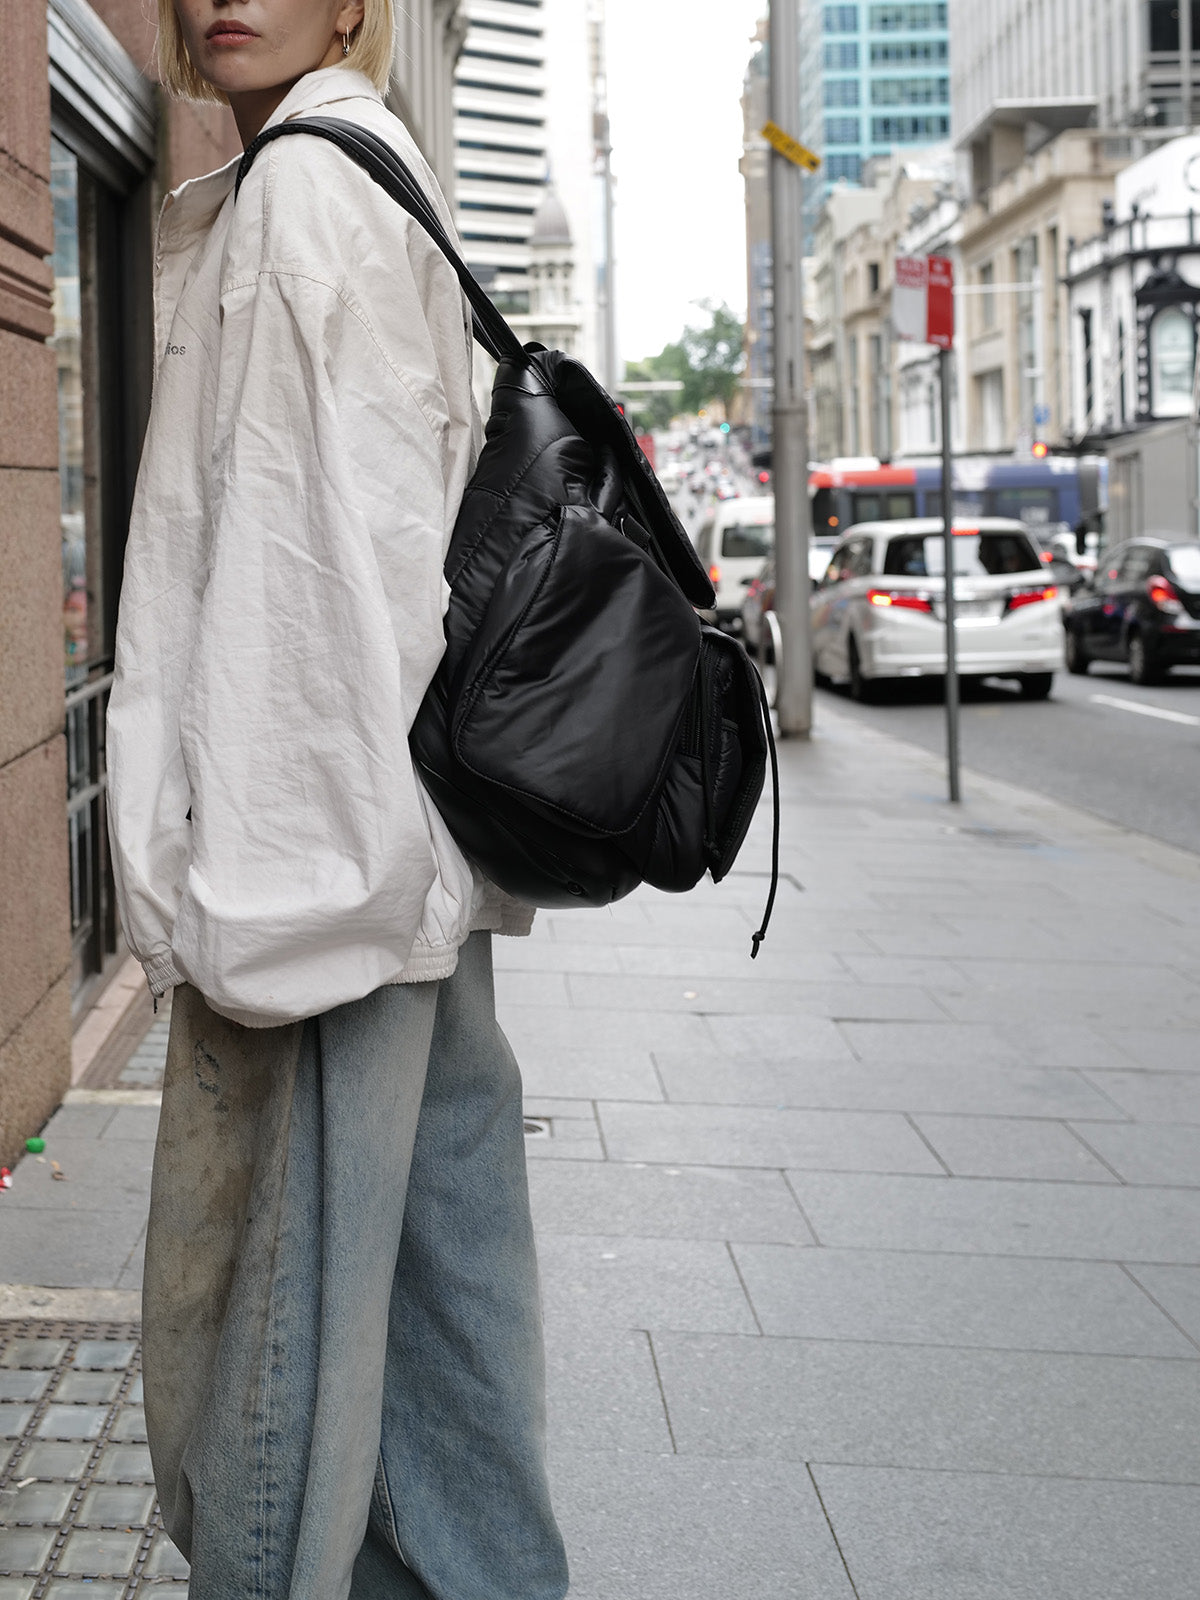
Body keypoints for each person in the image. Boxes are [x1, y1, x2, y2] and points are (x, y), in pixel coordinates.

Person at [104, 3, 569, 1597]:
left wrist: (267, 913)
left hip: (327, 878)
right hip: (408, 861)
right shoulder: (379, 167)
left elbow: (308, 596)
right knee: (449, 1328)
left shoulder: (304, 190)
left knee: (268, 1381)